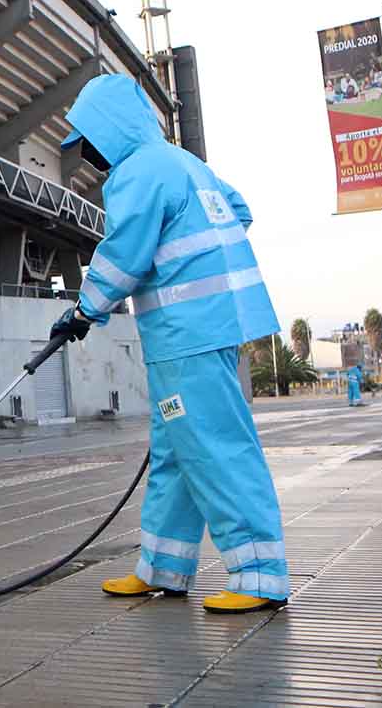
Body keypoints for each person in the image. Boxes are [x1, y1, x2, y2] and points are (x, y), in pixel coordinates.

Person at [49, 74, 288, 614]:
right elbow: (238, 212)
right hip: (205, 328)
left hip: (188, 334)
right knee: (177, 453)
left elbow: (124, 254)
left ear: (109, 131)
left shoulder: (137, 173)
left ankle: (260, 576)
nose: (87, 154)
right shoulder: (184, 162)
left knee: (216, 447)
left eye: (88, 140)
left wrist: (84, 311)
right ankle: (163, 567)